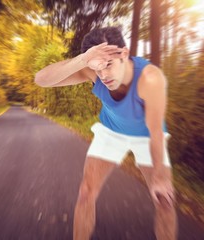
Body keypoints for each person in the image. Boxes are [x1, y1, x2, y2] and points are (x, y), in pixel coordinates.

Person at [34, 27, 177, 240]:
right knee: (85, 193)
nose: (104, 76)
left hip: (148, 136)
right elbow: (42, 79)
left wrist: (159, 176)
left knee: (164, 199)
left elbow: (156, 131)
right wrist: (83, 60)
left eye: (108, 65)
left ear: (124, 54)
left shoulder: (150, 78)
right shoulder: (92, 71)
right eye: (97, 69)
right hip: (111, 131)